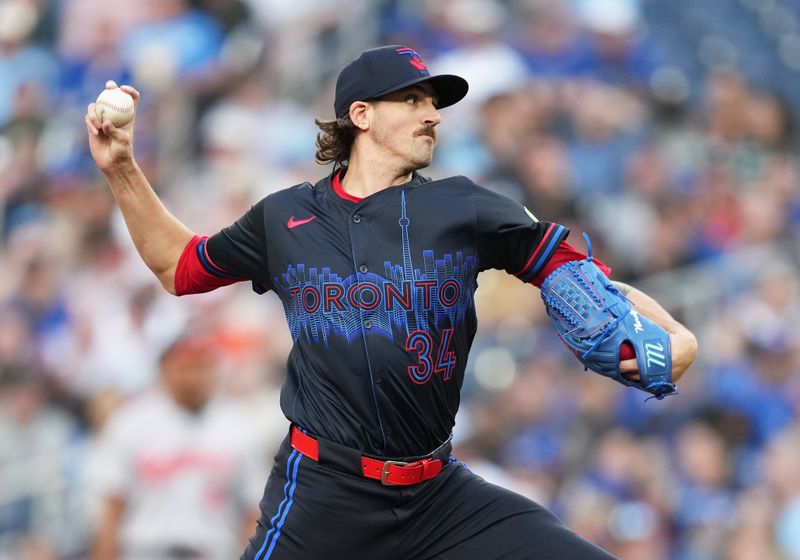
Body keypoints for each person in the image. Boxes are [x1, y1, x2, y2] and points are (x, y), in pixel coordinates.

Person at [84, 45, 698, 559]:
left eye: (435, 103)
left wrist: (673, 334)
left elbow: (581, 276)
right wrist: (122, 170)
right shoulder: (285, 217)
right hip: (324, 493)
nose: (432, 114)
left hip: (438, 497)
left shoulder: (465, 205)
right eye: (413, 99)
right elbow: (179, 266)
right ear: (361, 115)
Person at [88, 332, 263, 560]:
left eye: (202, 367)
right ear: (165, 369)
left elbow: (252, 512)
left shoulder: (238, 425)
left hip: (214, 551)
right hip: (146, 551)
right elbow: (112, 505)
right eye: (185, 367)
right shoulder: (131, 420)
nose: (194, 377)